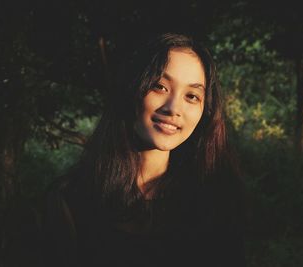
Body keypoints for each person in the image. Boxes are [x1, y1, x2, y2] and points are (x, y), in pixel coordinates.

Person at [42, 32, 246, 267]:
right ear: (131, 89)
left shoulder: (215, 202)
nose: (173, 108)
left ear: (205, 112)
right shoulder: (70, 200)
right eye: (159, 86)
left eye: (191, 96)